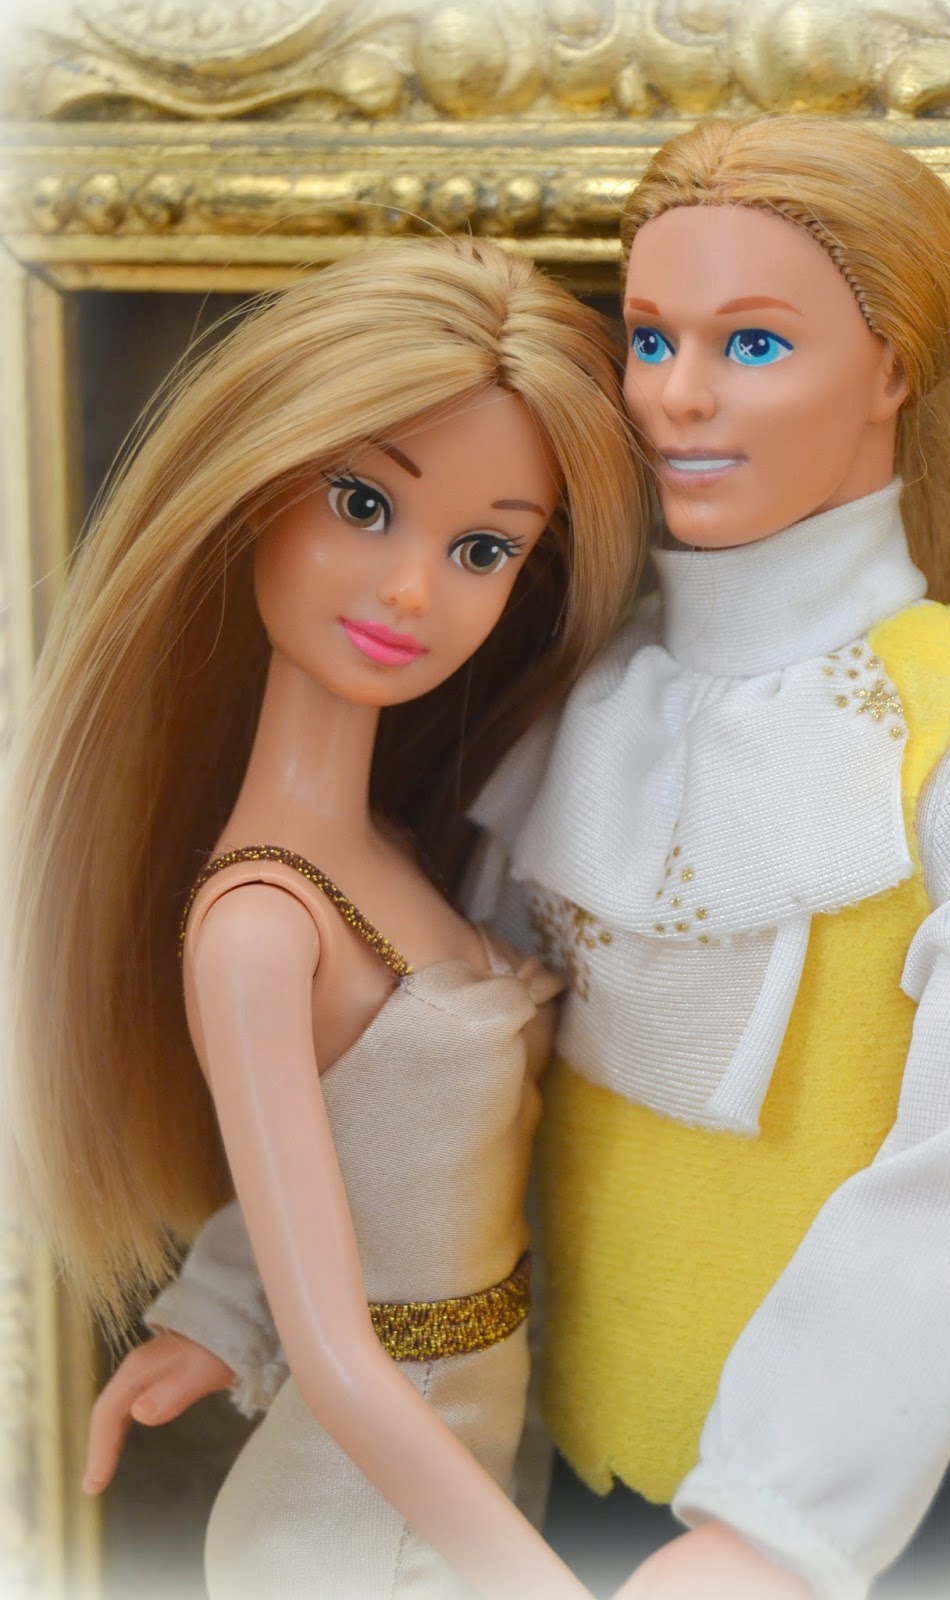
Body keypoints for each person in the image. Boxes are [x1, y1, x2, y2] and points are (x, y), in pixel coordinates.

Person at [76, 116, 950, 1600]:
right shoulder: (586, 704)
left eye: (750, 345)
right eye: (649, 338)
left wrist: (775, 1529)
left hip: (836, 1510)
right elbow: (418, 1071)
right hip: (559, 1460)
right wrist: (236, 1293)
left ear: (892, 370)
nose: (674, 396)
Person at [2, 235, 649, 1600]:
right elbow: (340, 1358)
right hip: (362, 1529)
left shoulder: (391, 851)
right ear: (256, 493)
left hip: (463, 1472)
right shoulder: (261, 926)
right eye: (363, 504)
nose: (412, 589)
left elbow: (354, 1144)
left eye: (481, 549)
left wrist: (211, 1314)